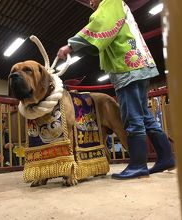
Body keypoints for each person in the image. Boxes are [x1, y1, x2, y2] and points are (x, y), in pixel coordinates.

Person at [57, 0, 175, 179]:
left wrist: (70, 45)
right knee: (144, 115)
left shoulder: (111, 2)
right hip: (139, 65)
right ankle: (166, 157)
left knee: (132, 116)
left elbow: (99, 24)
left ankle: (138, 164)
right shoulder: (118, 5)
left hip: (127, 66)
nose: (90, 2)